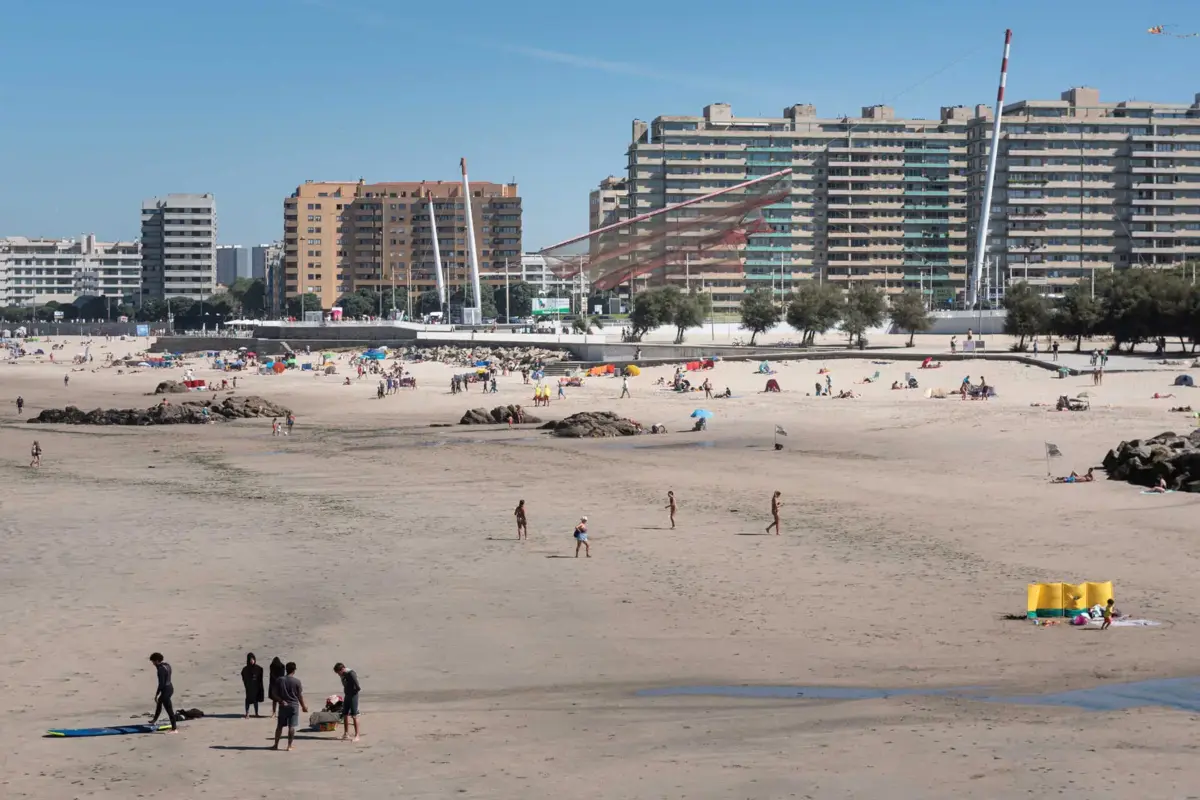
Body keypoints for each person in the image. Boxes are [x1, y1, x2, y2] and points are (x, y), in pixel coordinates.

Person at [272, 661, 307, 751]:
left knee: (279, 726)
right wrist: (303, 706)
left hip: (283, 706)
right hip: (293, 706)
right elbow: (299, 696)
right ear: (294, 670)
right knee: (291, 726)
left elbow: (273, 694)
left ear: (286, 670)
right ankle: (289, 746)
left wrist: (281, 700)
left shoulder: (280, 680)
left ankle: (276, 745)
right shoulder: (297, 682)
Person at [147, 653, 178, 733]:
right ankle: (154, 719)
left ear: (157, 661)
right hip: (170, 687)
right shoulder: (167, 665)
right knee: (160, 702)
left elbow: (161, 684)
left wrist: (156, 694)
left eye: (153, 662)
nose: (153, 663)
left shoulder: (160, 669)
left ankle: (174, 729)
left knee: (169, 709)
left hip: (166, 689)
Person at [333, 663, 361, 742]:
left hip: (353, 696)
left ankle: (357, 735)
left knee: (354, 715)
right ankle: (346, 733)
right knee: (345, 713)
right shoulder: (343, 674)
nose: (338, 675)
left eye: (338, 673)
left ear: (342, 669)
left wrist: (353, 692)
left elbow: (357, 686)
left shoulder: (350, 673)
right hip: (347, 695)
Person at [242, 653, 265, 718]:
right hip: (249, 686)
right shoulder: (245, 669)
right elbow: (244, 677)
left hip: (256, 686)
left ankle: (256, 713)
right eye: (250, 660)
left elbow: (260, 678)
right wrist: (246, 684)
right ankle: (247, 713)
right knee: (248, 699)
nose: (252, 661)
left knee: (255, 700)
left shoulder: (258, 668)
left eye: (253, 659)